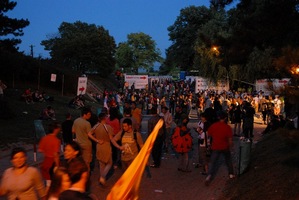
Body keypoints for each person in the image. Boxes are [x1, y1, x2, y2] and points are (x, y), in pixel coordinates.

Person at [87, 113, 123, 186]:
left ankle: (102, 178)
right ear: (104, 118)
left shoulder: (96, 126)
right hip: (106, 146)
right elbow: (112, 139)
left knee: (101, 164)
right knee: (109, 163)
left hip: (99, 146)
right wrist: (118, 146)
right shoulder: (108, 127)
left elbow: (89, 134)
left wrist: (97, 140)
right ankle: (102, 177)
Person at [205, 111, 235, 186]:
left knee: (212, 162)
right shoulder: (227, 127)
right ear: (225, 118)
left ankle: (209, 176)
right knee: (228, 160)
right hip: (225, 147)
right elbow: (230, 140)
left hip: (215, 146)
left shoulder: (214, 126)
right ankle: (231, 174)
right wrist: (231, 147)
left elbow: (209, 134)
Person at [38, 121, 61, 189]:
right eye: (58, 128)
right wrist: (57, 165)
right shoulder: (56, 140)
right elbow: (55, 155)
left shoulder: (44, 138)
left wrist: (47, 152)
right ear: (55, 129)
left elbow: (40, 150)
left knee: (47, 181)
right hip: (52, 163)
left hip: (45, 161)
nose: (59, 129)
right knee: (53, 184)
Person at [72, 107, 92, 171]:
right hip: (86, 144)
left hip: (79, 144)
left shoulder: (76, 121)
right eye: (89, 114)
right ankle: (86, 176)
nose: (90, 116)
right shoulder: (87, 123)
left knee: (80, 162)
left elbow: (73, 131)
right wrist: (97, 140)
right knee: (87, 163)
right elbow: (89, 134)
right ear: (84, 114)